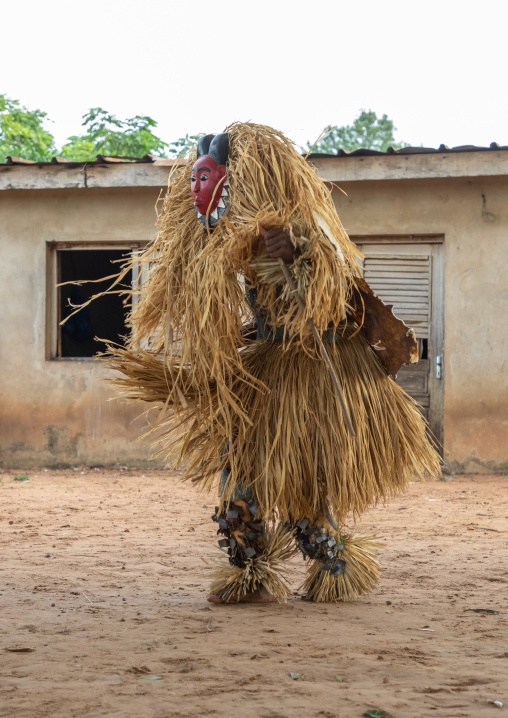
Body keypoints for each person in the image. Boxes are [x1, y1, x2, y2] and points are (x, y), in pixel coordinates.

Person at [104, 123, 440, 604]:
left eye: (212, 180)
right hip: (267, 369)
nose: (202, 190)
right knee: (238, 476)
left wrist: (298, 255)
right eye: (197, 180)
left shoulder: (306, 232)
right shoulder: (233, 236)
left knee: (303, 489)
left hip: (313, 373)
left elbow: (333, 292)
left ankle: (335, 566)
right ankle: (249, 574)